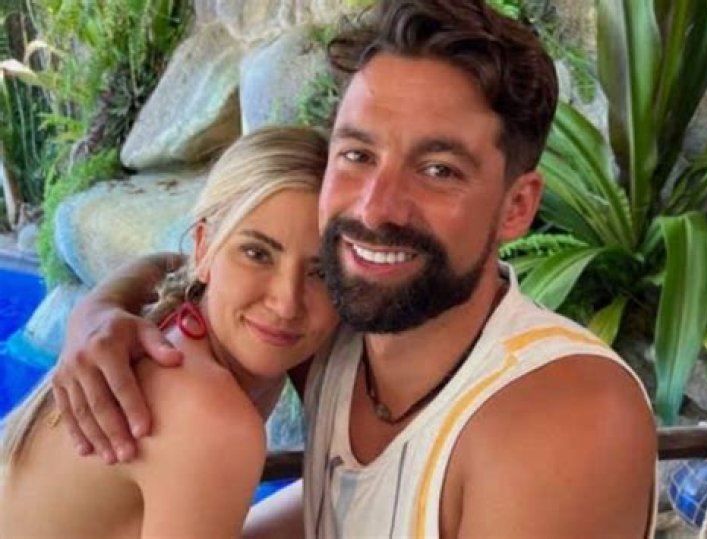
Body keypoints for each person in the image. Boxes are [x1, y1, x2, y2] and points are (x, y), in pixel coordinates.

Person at [51, 1, 659, 537]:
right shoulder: (336, 322)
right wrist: (102, 309)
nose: (375, 208)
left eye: (439, 170)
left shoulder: (563, 420)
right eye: (358, 155)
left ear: (516, 206)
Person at [0, 126, 339, 538]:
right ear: (204, 248)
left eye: (322, 272)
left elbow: (170, 263)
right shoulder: (208, 416)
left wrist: (103, 300)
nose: (286, 303)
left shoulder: (188, 318)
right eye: (257, 253)